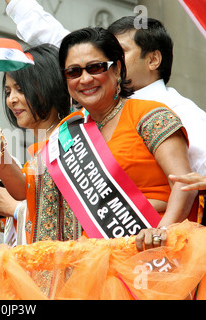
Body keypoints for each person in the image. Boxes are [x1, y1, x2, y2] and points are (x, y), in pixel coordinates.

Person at [4, 0, 206, 176]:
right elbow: (52, 35)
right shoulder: (98, 99)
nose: (102, 62)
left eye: (120, 52)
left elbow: (192, 180)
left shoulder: (182, 113)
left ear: (153, 59)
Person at [59, 27, 197, 250]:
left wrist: (162, 231)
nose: (85, 79)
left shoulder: (150, 114)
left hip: (154, 252)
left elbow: (184, 183)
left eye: (95, 68)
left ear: (117, 69)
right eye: (73, 72)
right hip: (94, 258)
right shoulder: (70, 132)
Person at [0, 44, 79, 245]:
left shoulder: (72, 138)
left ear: (49, 84)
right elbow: (21, 191)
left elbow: (75, 219)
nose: (11, 100)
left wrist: (15, 209)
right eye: (8, 91)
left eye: (20, 89)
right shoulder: (43, 148)